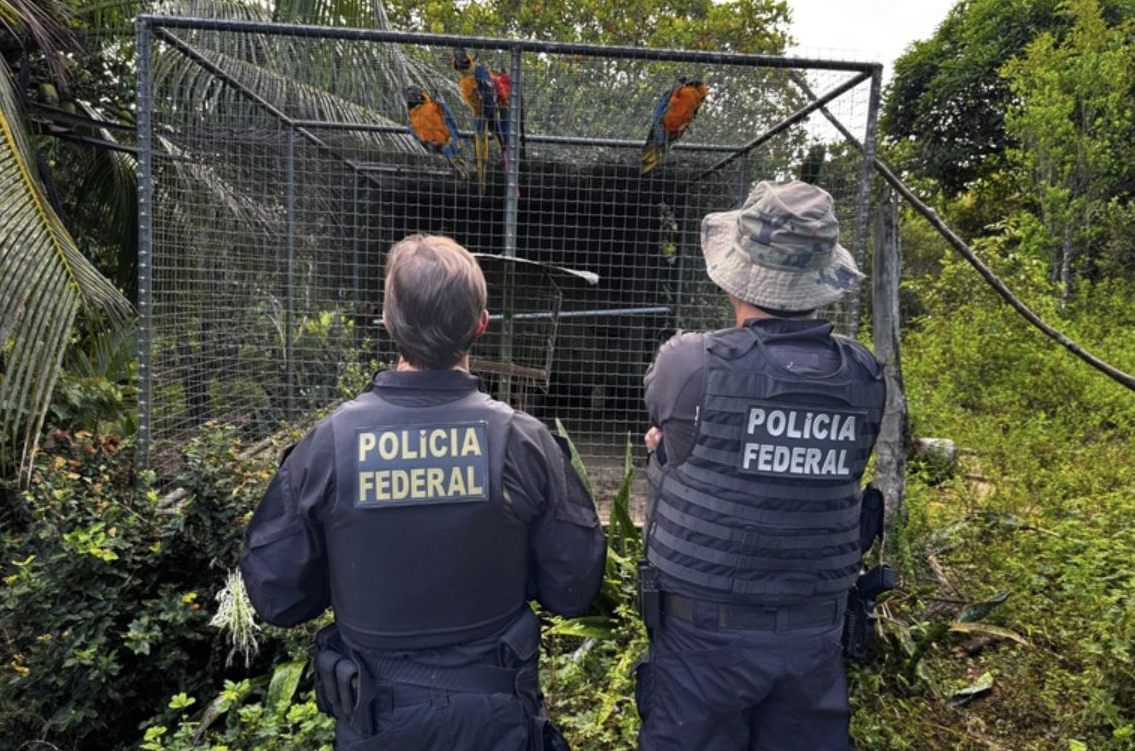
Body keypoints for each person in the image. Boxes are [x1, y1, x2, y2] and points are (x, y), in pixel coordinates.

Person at [241, 234, 606, 750]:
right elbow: (574, 586)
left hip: (377, 721)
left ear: (389, 322)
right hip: (495, 718)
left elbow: (277, 596)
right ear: (481, 324)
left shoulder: (329, 445)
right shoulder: (523, 442)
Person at [636, 180, 887, 750]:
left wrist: (666, 450)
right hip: (813, 641)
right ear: (821, 278)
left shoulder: (690, 361)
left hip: (702, 646)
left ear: (739, 267)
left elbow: (672, 437)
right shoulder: (865, 376)